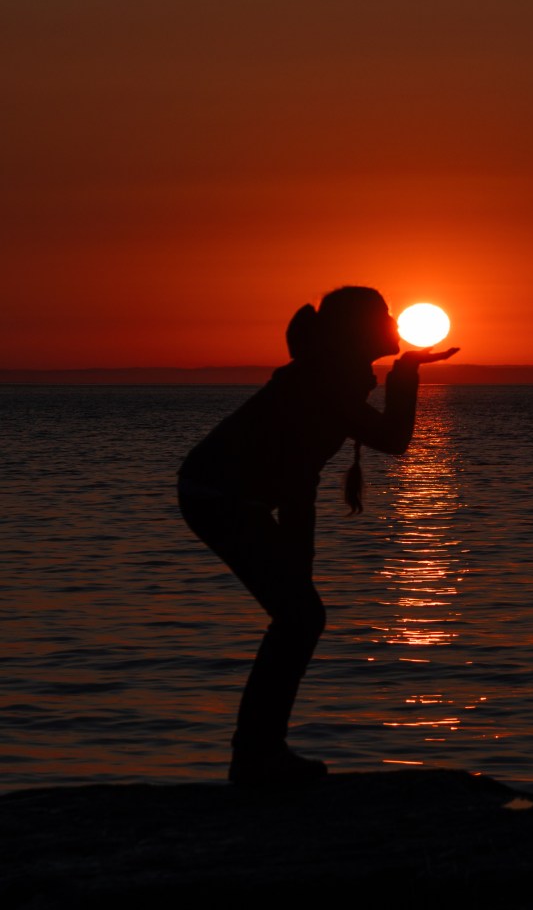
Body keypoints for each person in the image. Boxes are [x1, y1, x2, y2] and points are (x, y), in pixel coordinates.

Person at [177, 286, 457, 786]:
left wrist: (405, 373)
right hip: (218, 496)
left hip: (227, 496)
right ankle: (256, 756)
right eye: (384, 315)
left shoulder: (332, 379)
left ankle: (259, 752)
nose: (394, 321)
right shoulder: (323, 383)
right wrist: (406, 373)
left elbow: (319, 469)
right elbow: (381, 445)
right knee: (300, 617)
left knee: (300, 616)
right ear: (358, 331)